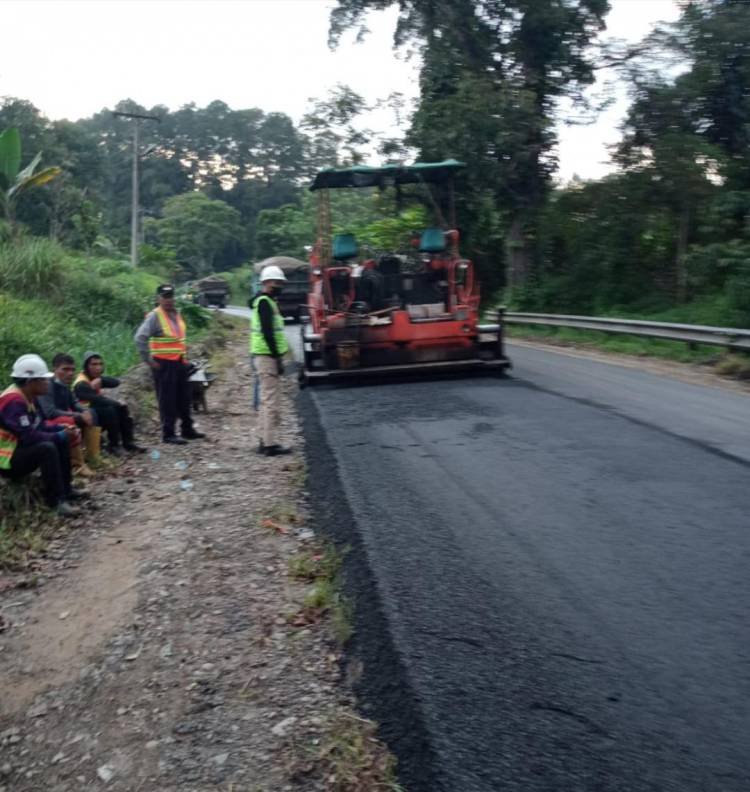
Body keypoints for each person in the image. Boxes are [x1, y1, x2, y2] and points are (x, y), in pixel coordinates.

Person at [0, 354, 84, 517]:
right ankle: (56, 501)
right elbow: (28, 436)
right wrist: (59, 435)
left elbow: (40, 424)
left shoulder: (29, 396)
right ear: (31, 382)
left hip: (18, 448)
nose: (47, 383)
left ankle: (66, 490)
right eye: (43, 380)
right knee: (47, 448)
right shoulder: (14, 401)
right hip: (6, 459)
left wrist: (61, 429)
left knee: (60, 438)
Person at [134, 284, 205, 446]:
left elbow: (178, 338)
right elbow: (140, 338)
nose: (168, 300)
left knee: (184, 397)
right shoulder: (155, 316)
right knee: (167, 399)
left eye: (170, 296)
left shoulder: (176, 314)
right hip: (163, 364)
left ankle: (187, 429)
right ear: (158, 298)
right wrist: (148, 360)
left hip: (179, 362)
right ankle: (168, 433)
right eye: (165, 297)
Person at [250, 265, 291, 456]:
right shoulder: (265, 303)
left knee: (267, 399)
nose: (280, 286)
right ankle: (269, 444)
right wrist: (277, 357)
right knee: (269, 401)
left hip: (265, 355)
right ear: (266, 283)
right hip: (266, 356)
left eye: (281, 283)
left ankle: (263, 440)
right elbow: (268, 333)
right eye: (277, 283)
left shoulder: (266, 301)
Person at [73, 352, 145, 457]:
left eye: (100, 364)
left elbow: (116, 382)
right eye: (94, 364)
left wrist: (101, 380)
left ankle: (128, 443)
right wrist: (116, 404)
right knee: (110, 410)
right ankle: (114, 445)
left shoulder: (94, 378)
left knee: (121, 408)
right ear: (86, 366)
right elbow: (98, 400)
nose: (98, 367)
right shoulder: (81, 383)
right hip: (85, 419)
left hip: (95, 414)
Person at [37, 352, 97, 477]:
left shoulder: (64, 384)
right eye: (65, 369)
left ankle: (92, 457)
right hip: (45, 422)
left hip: (60, 418)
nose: (70, 373)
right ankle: (77, 465)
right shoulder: (46, 385)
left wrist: (84, 412)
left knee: (91, 412)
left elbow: (74, 403)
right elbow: (50, 412)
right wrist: (77, 415)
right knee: (69, 422)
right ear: (55, 369)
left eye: (72, 370)